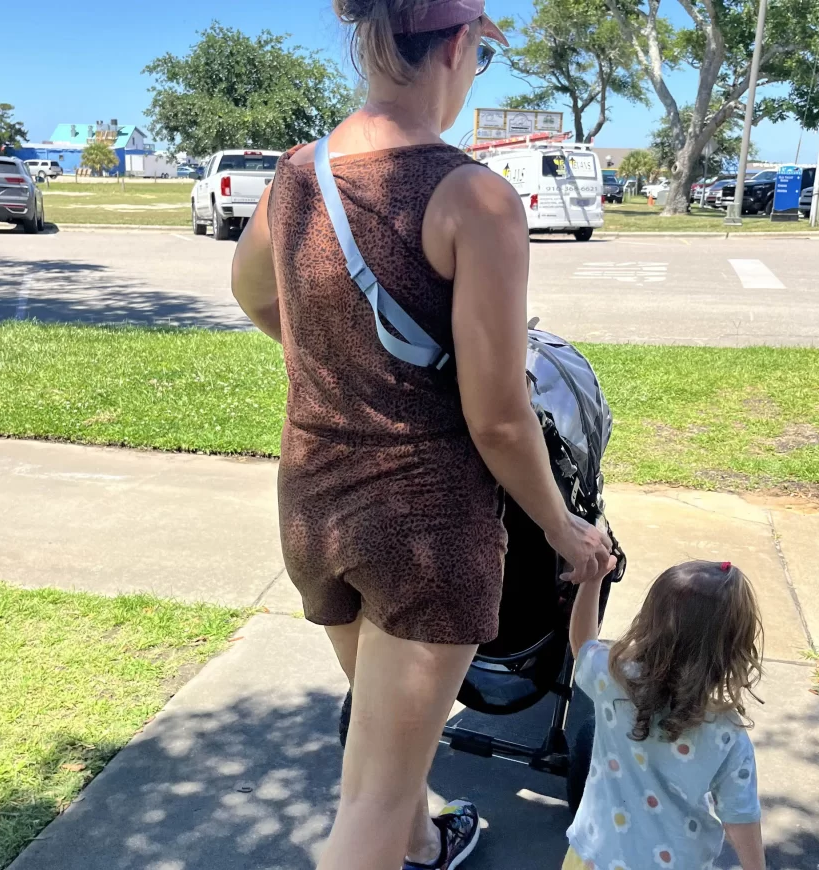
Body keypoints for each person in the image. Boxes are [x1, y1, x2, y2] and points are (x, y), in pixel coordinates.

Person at [230, 1, 615, 868]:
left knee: (386, 757)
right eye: (481, 55)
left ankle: (428, 842)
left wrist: (341, 356)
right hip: (425, 534)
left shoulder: (297, 173)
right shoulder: (475, 197)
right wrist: (563, 531)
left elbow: (255, 295)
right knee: (366, 804)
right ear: (456, 47)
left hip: (312, 507)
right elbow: (500, 414)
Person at [564, 559, 767, 870]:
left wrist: (593, 581)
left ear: (649, 623)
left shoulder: (613, 679)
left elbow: (582, 645)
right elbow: (740, 816)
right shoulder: (727, 734)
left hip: (594, 855)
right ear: (733, 650)